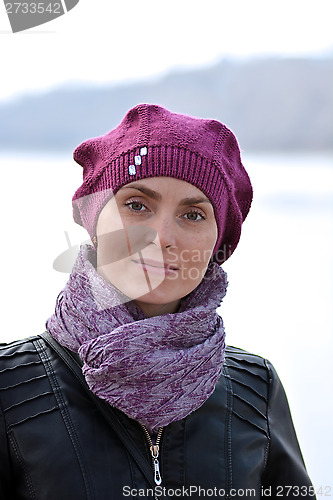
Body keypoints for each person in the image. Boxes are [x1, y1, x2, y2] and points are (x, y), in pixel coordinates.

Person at [0, 104, 316, 499]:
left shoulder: (256, 388)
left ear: (217, 245)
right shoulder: (9, 385)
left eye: (194, 215)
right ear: (95, 219)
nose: (161, 235)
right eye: (137, 205)